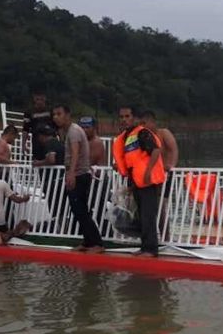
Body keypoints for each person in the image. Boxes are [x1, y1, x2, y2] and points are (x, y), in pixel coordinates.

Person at [113, 106, 166, 257]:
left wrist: (149, 172)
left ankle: (151, 249)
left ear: (134, 118)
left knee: (148, 215)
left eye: (127, 116)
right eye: (121, 117)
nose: (124, 119)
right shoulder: (126, 136)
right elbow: (131, 162)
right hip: (137, 182)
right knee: (141, 215)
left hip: (148, 181)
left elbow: (155, 151)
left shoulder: (141, 133)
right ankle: (145, 247)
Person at [53, 104, 104, 253]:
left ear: (67, 114)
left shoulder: (74, 131)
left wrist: (71, 174)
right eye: (54, 114)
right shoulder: (70, 131)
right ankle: (88, 241)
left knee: (81, 210)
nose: (56, 117)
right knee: (78, 210)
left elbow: (75, 153)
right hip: (79, 173)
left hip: (79, 175)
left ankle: (97, 243)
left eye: (59, 113)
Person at [141, 110, 178, 238]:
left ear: (152, 122)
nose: (143, 126)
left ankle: (165, 235)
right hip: (151, 175)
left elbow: (174, 150)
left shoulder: (163, 133)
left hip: (165, 175)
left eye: (145, 123)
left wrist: (171, 165)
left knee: (161, 205)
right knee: (152, 206)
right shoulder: (145, 137)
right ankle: (150, 234)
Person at [23, 91, 55, 161]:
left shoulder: (51, 110)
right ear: (34, 99)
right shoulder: (29, 112)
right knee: (38, 160)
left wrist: (61, 141)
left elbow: (58, 126)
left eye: (41, 99)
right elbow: (25, 129)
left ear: (45, 99)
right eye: (38, 99)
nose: (40, 102)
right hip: (37, 140)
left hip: (50, 139)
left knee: (51, 159)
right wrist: (23, 145)